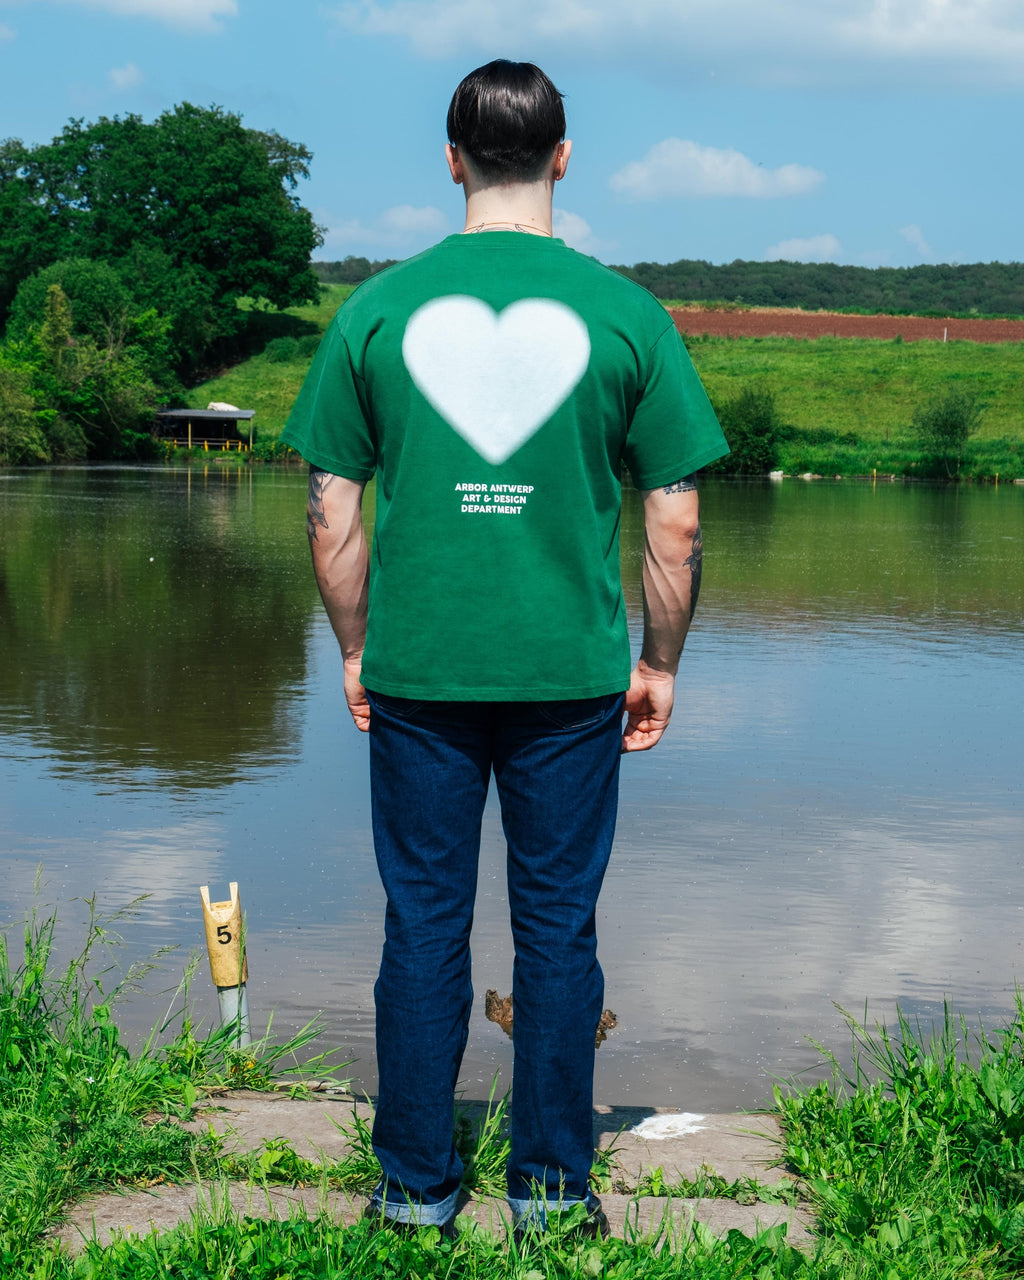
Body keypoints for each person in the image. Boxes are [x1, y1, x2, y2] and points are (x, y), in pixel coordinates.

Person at [281, 59, 728, 1238]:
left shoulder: (376, 309)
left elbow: (332, 509)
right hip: (571, 678)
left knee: (422, 922)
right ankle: (551, 1189)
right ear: (565, 159)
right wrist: (662, 660)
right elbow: (673, 516)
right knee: (556, 925)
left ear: (451, 158)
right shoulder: (627, 313)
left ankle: (416, 1190)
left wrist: (353, 645)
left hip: (420, 675)